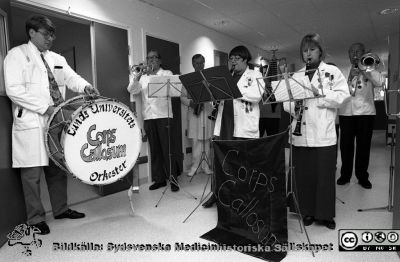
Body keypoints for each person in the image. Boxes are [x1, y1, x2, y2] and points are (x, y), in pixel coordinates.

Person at [4, 15, 98, 235]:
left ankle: (61, 209)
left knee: (57, 167)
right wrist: (44, 108)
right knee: (32, 174)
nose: (50, 38)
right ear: (32, 33)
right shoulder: (16, 55)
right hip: (32, 119)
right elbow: (13, 90)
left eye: (52, 34)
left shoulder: (57, 58)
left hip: (56, 119)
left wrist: (85, 87)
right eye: (46, 34)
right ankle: (35, 218)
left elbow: (71, 78)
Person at [283, 33, 350, 229]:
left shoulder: (332, 72)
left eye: (312, 49)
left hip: (324, 133)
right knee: (304, 175)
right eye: (305, 50)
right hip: (301, 134)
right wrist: (294, 105)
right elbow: (287, 102)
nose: (308, 53)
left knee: (324, 176)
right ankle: (307, 212)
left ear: (320, 51)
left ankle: (326, 215)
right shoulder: (296, 75)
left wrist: (319, 96)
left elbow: (343, 96)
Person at [202, 45, 263, 208]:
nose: (233, 61)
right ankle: (216, 193)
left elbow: (256, 96)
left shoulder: (255, 74)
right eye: (231, 58)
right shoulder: (227, 76)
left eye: (237, 58)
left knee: (241, 164)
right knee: (220, 162)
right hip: (224, 124)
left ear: (245, 60)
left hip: (243, 125)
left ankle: (240, 196)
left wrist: (232, 89)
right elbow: (219, 99)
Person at [127, 50, 180, 192]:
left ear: (160, 60)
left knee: (167, 149)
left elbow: (173, 89)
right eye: (149, 58)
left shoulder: (167, 73)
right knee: (155, 150)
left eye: (154, 58)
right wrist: (137, 77)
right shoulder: (142, 77)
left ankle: (173, 179)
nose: (151, 60)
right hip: (149, 117)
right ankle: (159, 179)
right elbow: (132, 90)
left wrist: (152, 75)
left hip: (164, 115)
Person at [337, 43, 384, 189]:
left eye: (357, 51)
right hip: (346, 113)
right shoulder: (341, 70)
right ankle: (345, 175)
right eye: (351, 52)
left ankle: (362, 176)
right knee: (346, 146)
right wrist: (350, 76)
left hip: (366, 113)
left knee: (364, 146)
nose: (354, 54)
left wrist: (366, 70)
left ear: (363, 53)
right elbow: (337, 92)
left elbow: (380, 82)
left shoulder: (370, 67)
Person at [180, 54, 213, 177]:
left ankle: (206, 166)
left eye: (201, 62)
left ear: (204, 63)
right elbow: (182, 97)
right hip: (194, 112)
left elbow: (215, 94)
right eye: (197, 63)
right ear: (193, 64)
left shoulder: (209, 78)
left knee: (206, 140)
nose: (199, 65)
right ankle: (195, 167)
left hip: (206, 112)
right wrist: (191, 103)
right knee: (196, 142)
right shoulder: (188, 80)